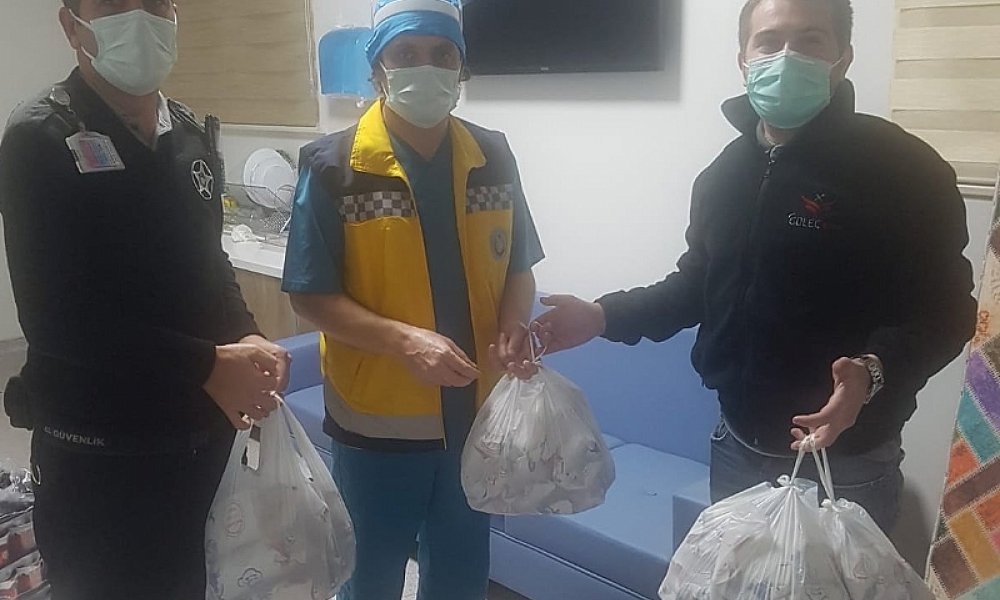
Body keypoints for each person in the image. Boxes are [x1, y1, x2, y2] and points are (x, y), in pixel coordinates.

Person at [535, 0, 976, 532]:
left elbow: (946, 311)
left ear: (843, 58)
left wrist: (871, 371)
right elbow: (696, 287)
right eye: (769, 41)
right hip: (736, 447)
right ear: (744, 59)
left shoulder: (904, 169)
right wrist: (602, 316)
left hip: (846, 462)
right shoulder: (722, 175)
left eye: (811, 41)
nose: (787, 56)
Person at [0, 1, 291, 599]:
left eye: (155, 3)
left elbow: (210, 262)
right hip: (102, 456)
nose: (139, 18)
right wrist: (208, 364)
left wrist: (246, 334)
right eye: (114, 3)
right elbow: (58, 318)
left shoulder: (188, 134)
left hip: (203, 443)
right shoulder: (38, 138)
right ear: (72, 26)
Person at [281, 1, 544, 597]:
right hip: (378, 426)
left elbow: (519, 265)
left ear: (461, 69)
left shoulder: (493, 155)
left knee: (460, 577)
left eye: (442, 54)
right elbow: (310, 297)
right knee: (368, 577)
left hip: (475, 416)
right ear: (377, 68)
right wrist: (403, 341)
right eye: (406, 54)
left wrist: (513, 325)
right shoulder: (333, 165)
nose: (425, 68)